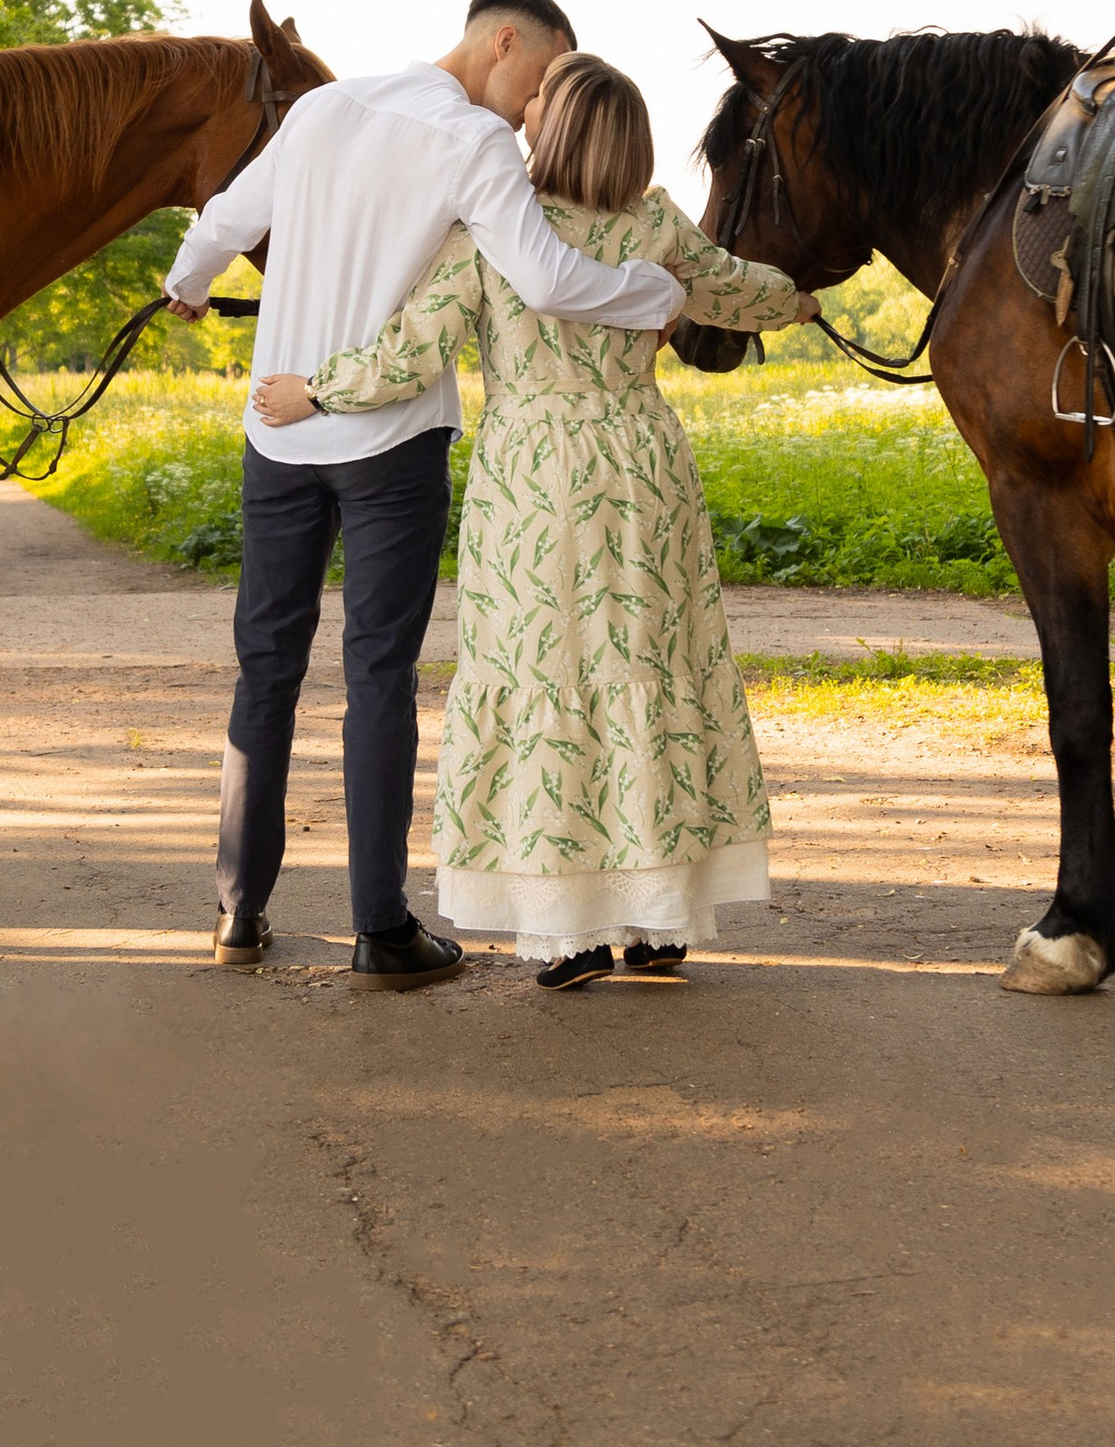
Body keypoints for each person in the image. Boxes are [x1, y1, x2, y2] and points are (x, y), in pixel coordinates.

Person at [254, 51, 819, 989]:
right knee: (646, 673)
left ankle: (568, 930)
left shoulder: (493, 230)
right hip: (642, 468)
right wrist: (802, 302)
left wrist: (313, 391)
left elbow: (410, 349)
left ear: (548, 133)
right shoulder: (655, 222)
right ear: (633, 138)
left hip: (534, 486)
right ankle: (655, 917)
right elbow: (735, 286)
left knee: (547, 685)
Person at [163, 0, 689, 991]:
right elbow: (542, 278)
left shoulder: (322, 108)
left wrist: (187, 282)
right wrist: (654, 293)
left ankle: (239, 910)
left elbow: (228, 215)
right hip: (386, 442)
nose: (537, 111)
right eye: (540, 79)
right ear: (503, 42)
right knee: (377, 679)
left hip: (278, 431)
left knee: (264, 667)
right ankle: (379, 927)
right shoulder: (476, 146)